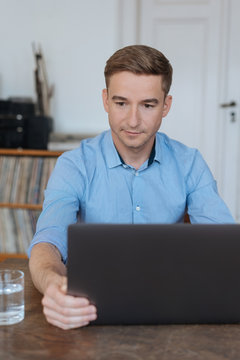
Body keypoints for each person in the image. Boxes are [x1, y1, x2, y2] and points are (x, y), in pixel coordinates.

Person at [28, 45, 234, 330]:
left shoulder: (190, 163)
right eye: (121, 103)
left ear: (166, 105)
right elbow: (47, 243)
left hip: (171, 308)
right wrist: (52, 284)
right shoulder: (74, 165)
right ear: (105, 100)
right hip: (88, 310)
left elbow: (222, 245)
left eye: (148, 105)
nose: (133, 120)